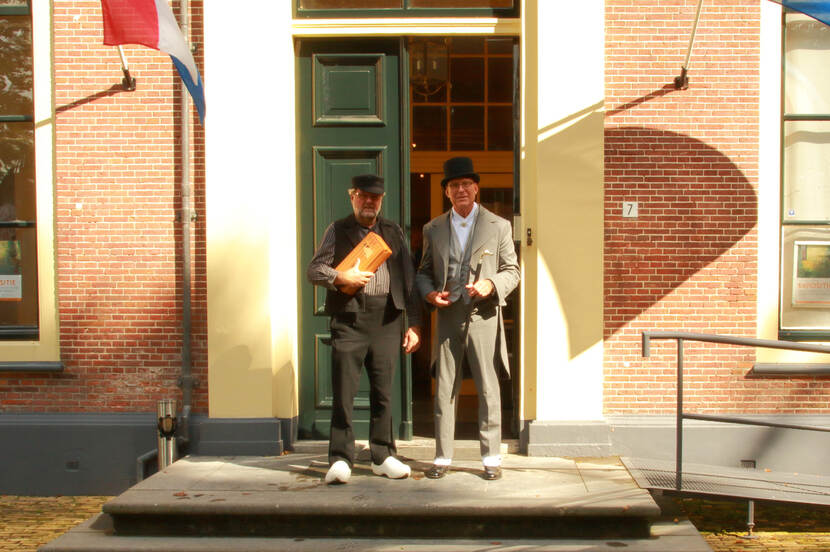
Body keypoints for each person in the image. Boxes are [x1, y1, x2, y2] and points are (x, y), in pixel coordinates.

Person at [307, 174, 422, 484]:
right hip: (349, 319)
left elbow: (409, 281)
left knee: (384, 393)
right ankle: (341, 459)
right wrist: (341, 278)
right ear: (352, 196)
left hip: (387, 320)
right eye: (364, 196)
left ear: (381, 200)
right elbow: (314, 270)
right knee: (344, 392)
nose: (370, 202)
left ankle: (382, 456)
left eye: (376, 198)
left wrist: (414, 324)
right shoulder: (337, 229)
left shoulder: (393, 230)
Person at [416, 157, 520, 481]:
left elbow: (513, 271)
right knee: (445, 387)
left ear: (476, 188)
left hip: (484, 315)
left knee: (489, 388)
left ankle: (491, 458)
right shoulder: (432, 229)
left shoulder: (499, 226)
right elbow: (422, 273)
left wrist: (491, 285)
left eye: (465, 185)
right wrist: (430, 293)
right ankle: (442, 457)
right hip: (448, 314)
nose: (460, 190)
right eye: (453, 186)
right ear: (447, 192)